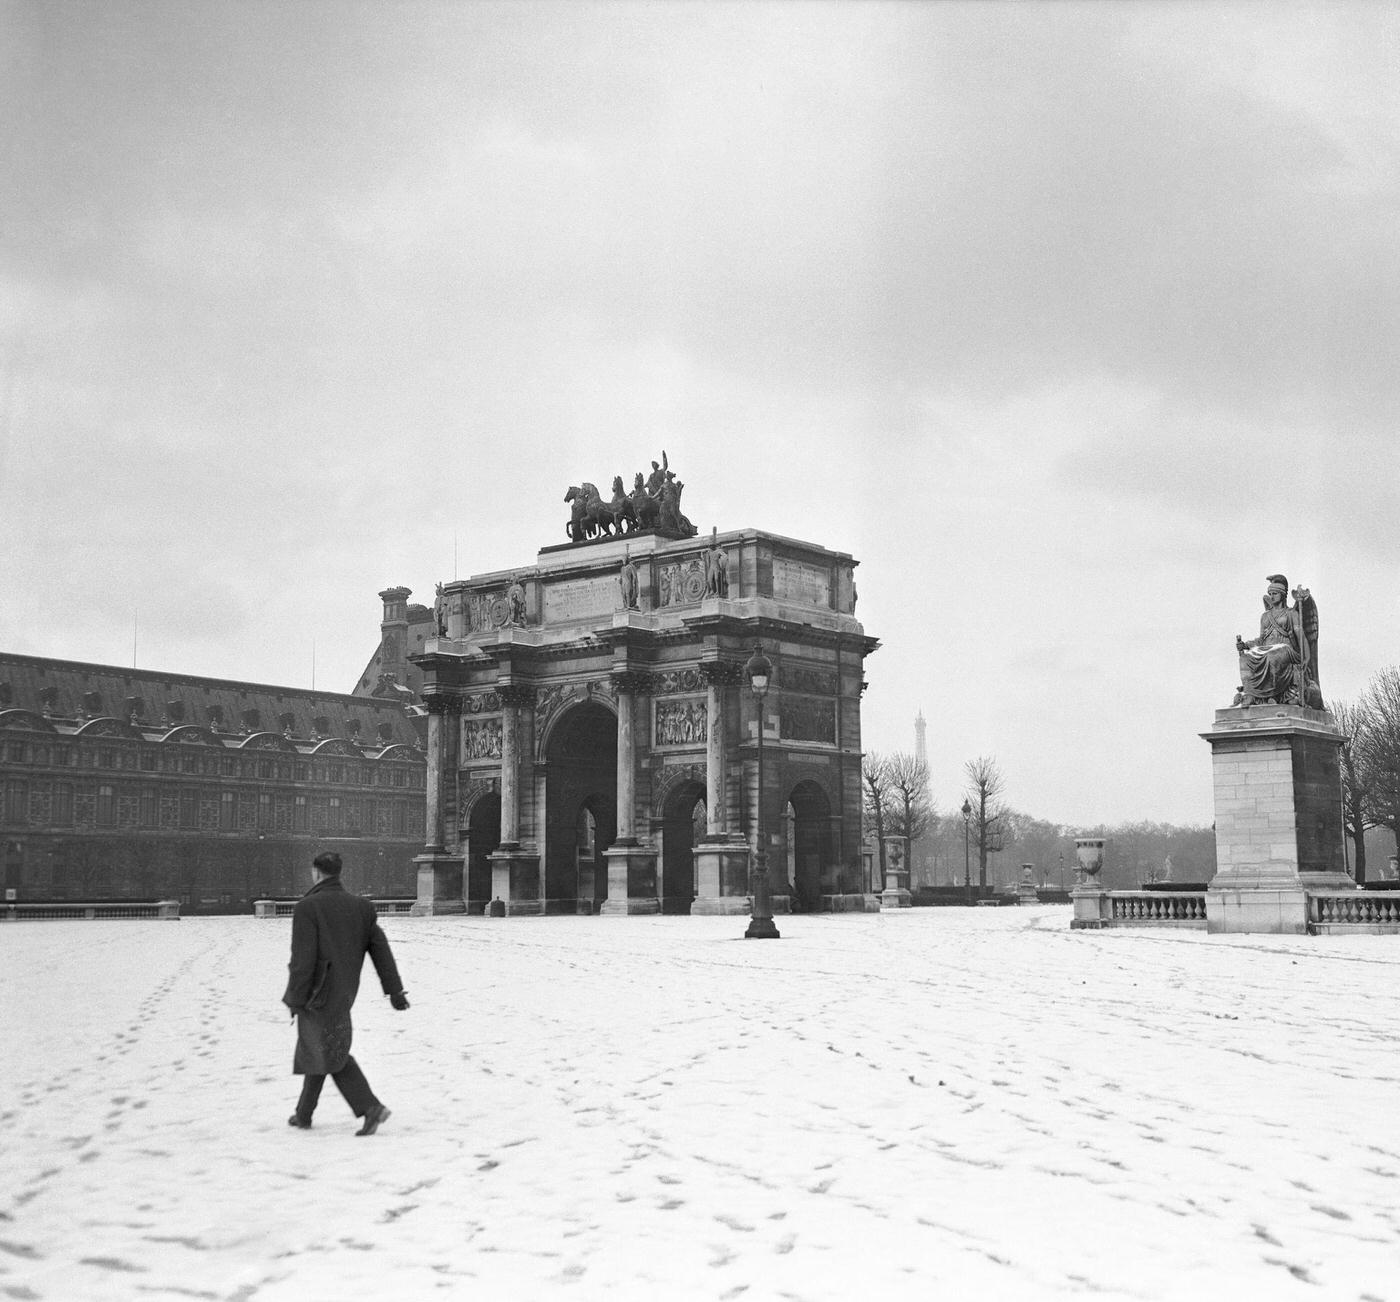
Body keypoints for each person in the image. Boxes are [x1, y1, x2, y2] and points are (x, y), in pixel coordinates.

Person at [282, 851, 408, 1135]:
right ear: (339, 873)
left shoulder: (307, 907)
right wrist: (394, 990)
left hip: (316, 996)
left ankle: (370, 1107)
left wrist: (295, 998)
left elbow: (302, 960)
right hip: (344, 992)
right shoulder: (361, 907)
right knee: (318, 1048)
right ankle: (303, 1114)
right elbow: (380, 951)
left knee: (329, 1050)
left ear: (316, 872)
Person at [1235, 574, 1305, 706]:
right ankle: (1251, 695)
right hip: (1267, 648)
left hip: (1286, 649)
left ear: (1283, 595)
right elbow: (1261, 640)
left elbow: (1301, 637)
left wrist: (1304, 655)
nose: (1272, 597)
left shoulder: (1292, 614)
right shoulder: (1265, 616)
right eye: (1270, 593)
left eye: (1275, 593)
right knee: (1245, 659)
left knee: (1273, 657)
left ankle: (1275, 696)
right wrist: (1245, 645)